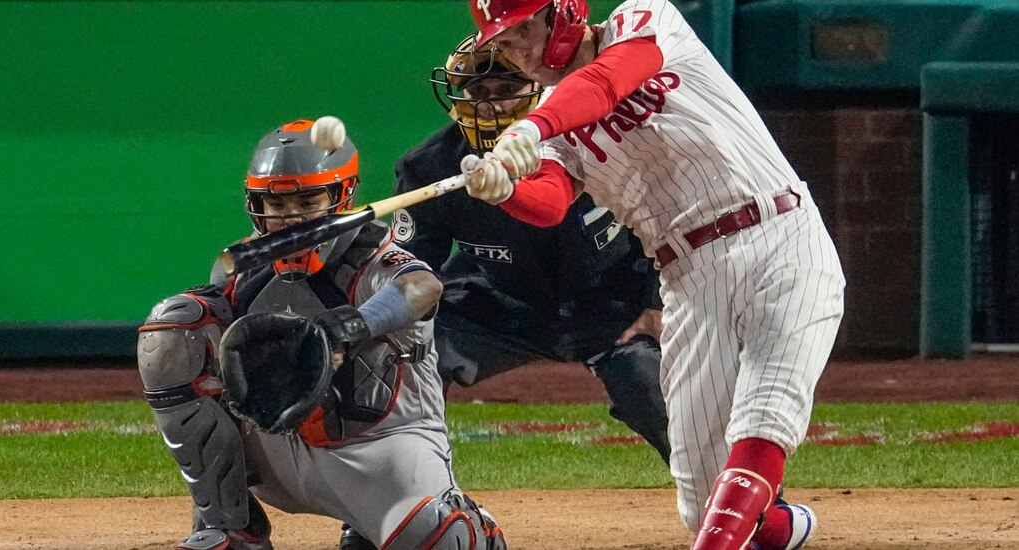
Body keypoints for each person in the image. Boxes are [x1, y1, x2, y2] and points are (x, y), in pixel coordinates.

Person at [460, 1, 846, 549]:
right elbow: (548, 203)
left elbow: (608, 78)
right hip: (689, 279)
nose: (517, 51)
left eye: (524, 29)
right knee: (703, 503)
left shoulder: (644, 18)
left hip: (779, 236)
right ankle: (783, 527)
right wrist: (508, 192)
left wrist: (532, 124)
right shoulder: (549, 127)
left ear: (565, 12)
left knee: (763, 419)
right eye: (503, 44)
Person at [137, 119, 506, 550]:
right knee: (172, 327)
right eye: (275, 203)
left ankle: (434, 523)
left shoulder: (373, 255)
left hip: (380, 453)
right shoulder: (244, 264)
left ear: (341, 195)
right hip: (276, 448)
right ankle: (227, 528)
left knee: (447, 541)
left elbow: (422, 288)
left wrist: (346, 328)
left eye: (308, 199)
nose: (289, 215)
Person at [392, 33, 672, 464]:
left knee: (653, 390)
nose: (490, 104)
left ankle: (747, 507)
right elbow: (407, 268)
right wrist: (377, 327)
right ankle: (394, 507)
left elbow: (669, 221)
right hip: (500, 305)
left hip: (613, 304)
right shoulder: (429, 168)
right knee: (408, 361)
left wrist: (657, 302)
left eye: (507, 90)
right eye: (477, 92)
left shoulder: (602, 145)